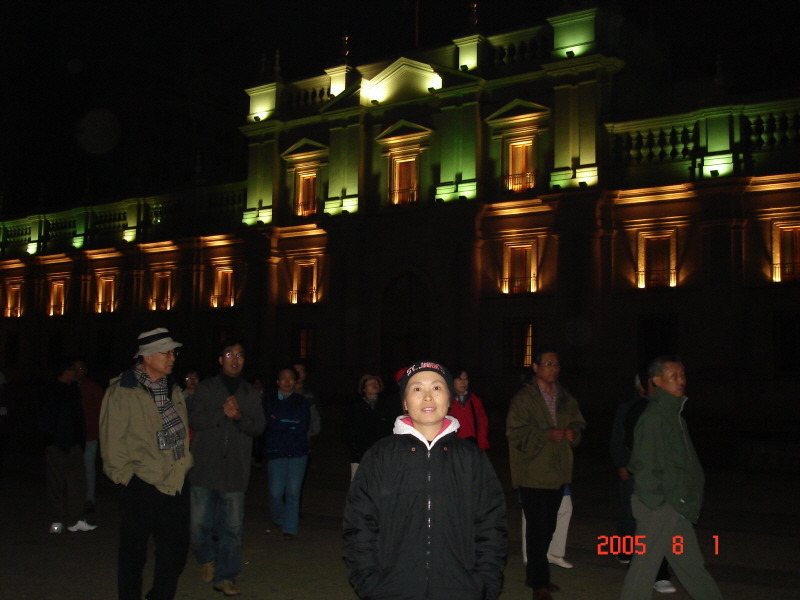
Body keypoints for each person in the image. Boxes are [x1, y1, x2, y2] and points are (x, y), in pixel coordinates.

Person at [343, 360, 508, 600]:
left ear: (449, 399)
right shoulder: (380, 456)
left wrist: (484, 583)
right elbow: (359, 523)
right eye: (417, 388)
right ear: (404, 402)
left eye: (437, 388)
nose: (428, 397)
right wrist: (369, 582)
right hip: (392, 589)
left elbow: (491, 523)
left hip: (460, 589)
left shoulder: (471, 458)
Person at [99, 328, 192, 600]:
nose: (172, 358)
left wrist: (184, 464)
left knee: (175, 551)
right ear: (148, 357)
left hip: (176, 480)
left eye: (173, 353)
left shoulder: (173, 388)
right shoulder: (123, 390)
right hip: (141, 482)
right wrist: (125, 477)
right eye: (166, 353)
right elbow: (112, 438)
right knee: (133, 553)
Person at [620, 357, 723, 600]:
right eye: (673, 376)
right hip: (660, 508)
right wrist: (659, 504)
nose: (680, 381)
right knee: (644, 569)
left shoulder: (673, 415)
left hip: (675, 505)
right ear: (657, 380)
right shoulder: (655, 418)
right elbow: (645, 466)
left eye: (682, 375)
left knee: (690, 565)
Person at [506, 350, 586, 600]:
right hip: (533, 473)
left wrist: (573, 433)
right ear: (536, 367)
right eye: (548, 364)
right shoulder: (524, 398)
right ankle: (539, 583)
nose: (553, 368)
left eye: (556, 364)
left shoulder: (564, 396)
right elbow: (514, 433)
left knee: (548, 527)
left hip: (558, 472)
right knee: (537, 530)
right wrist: (545, 435)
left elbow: (578, 422)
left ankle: (536, 576)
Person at [189, 341, 265, 597]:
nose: (235, 359)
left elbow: (258, 426)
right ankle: (206, 558)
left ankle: (226, 576)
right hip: (205, 469)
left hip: (234, 471)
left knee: (231, 530)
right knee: (199, 526)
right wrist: (221, 413)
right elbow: (195, 419)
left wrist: (239, 417)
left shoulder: (250, 393)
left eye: (240, 355)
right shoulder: (207, 388)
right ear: (220, 359)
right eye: (230, 354)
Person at [611, 369, 674, 592]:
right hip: (636, 472)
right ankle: (626, 552)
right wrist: (622, 464)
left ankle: (657, 570)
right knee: (630, 515)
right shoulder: (630, 408)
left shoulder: (666, 409)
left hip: (658, 476)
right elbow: (620, 438)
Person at [38, 358, 95, 533]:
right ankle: (57, 521)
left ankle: (75, 519)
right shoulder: (51, 390)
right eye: (73, 370)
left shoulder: (73, 390)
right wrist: (51, 441)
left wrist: (79, 440)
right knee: (56, 484)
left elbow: (78, 418)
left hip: (74, 445)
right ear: (66, 371)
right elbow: (46, 418)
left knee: (77, 483)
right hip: (57, 445)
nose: (76, 373)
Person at [263, 366, 311, 540]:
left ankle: (290, 528)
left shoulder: (301, 401)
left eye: (291, 378)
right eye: (283, 378)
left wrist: (282, 421)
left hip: (298, 451)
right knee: (275, 492)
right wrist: (290, 422)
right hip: (276, 450)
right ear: (277, 381)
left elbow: (302, 425)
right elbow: (270, 423)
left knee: (293, 492)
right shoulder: (269, 400)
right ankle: (279, 518)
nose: (287, 381)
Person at [342, 374, 397, 480]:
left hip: (382, 454)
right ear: (363, 388)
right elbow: (348, 430)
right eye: (370, 383)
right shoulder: (355, 407)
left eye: (376, 383)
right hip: (360, 454)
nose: (374, 385)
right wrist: (354, 449)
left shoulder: (387, 405)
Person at [73, 359, 105, 514]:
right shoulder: (70, 387)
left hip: (90, 435)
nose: (77, 371)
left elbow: (102, 411)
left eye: (81, 368)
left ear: (85, 370)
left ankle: (89, 499)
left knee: (88, 467)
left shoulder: (92, 388)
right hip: (73, 436)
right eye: (75, 368)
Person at [448, 366, 490, 450]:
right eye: (459, 379)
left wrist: (482, 444)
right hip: (453, 445)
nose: (463, 382)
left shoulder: (474, 400)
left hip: (472, 444)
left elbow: (482, 423)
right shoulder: (447, 401)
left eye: (465, 379)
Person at [293, 360, 321, 439]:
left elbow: (316, 418)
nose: (298, 374)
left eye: (301, 371)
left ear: (305, 374)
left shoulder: (310, 396)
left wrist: (309, 433)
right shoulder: (282, 394)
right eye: (296, 371)